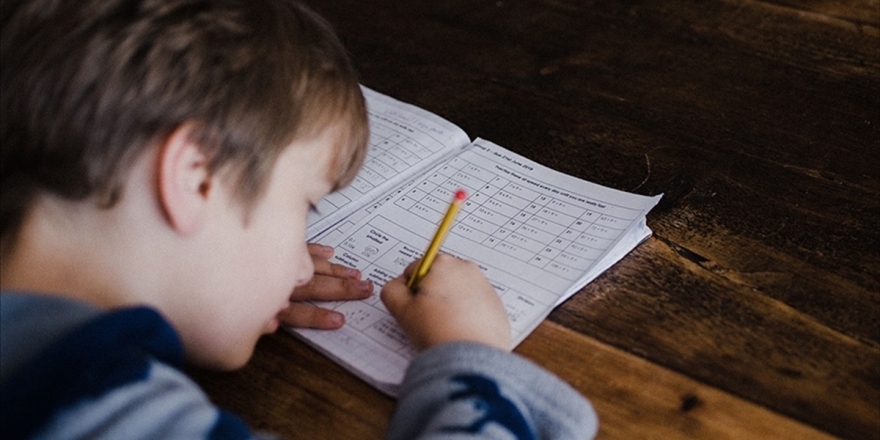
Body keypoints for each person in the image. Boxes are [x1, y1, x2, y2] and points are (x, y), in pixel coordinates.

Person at [0, 0, 598, 439]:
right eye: (304, 207)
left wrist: (209, 288)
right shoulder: (89, 408)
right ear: (196, 178)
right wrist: (470, 355)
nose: (298, 261)